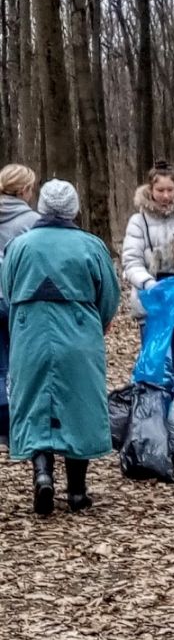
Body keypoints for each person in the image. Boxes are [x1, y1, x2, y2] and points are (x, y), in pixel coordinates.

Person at [2, 179, 119, 514]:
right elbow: (109, 295)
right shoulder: (91, 245)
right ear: (74, 208)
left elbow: (8, 291)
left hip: (29, 334)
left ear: (41, 207)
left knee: (33, 400)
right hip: (79, 331)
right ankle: (78, 492)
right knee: (79, 403)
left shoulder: (20, 246)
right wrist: (98, 319)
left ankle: (42, 475)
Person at [123, 162, 174, 389]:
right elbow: (131, 261)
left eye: (170, 189)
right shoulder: (138, 222)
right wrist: (149, 284)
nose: (166, 195)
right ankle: (153, 412)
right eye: (160, 190)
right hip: (152, 299)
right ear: (151, 190)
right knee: (154, 359)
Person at [0, 164, 40, 448]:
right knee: (21, 363)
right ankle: (20, 424)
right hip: (19, 299)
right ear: (25, 190)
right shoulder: (34, 222)